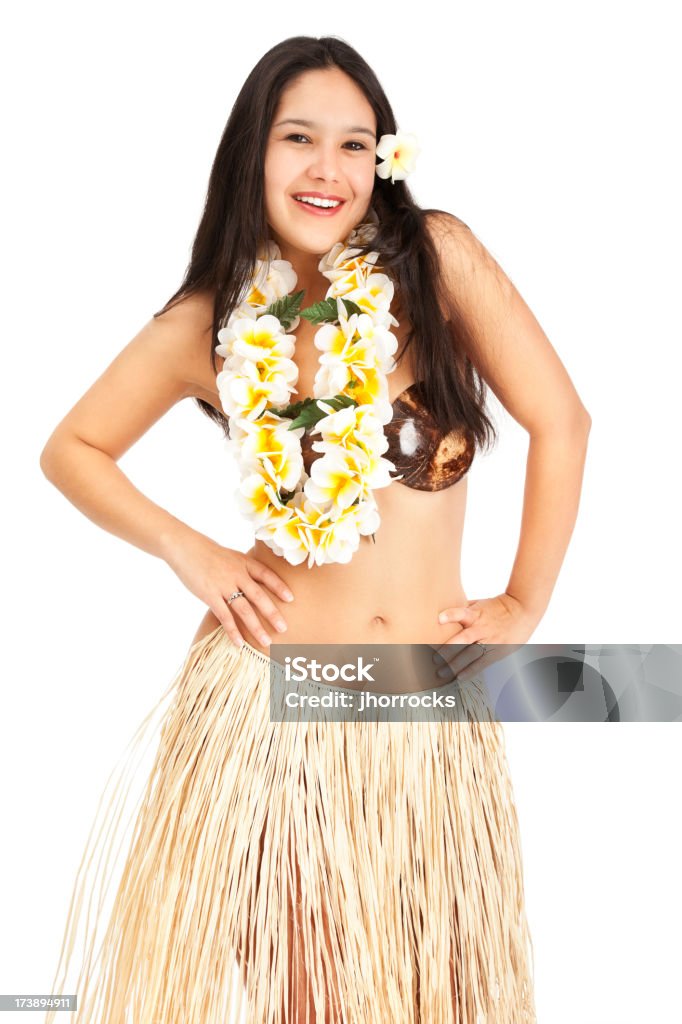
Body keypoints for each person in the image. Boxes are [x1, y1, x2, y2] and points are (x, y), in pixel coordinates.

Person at [40, 34, 590, 1024]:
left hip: (424, 699)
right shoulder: (212, 321)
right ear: (255, 150)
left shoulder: (438, 260)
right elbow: (73, 445)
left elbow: (562, 420)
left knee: (449, 993)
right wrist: (188, 548)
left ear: (381, 162)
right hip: (272, 702)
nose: (327, 167)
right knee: (316, 996)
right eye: (300, 138)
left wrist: (524, 598)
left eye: (354, 143)